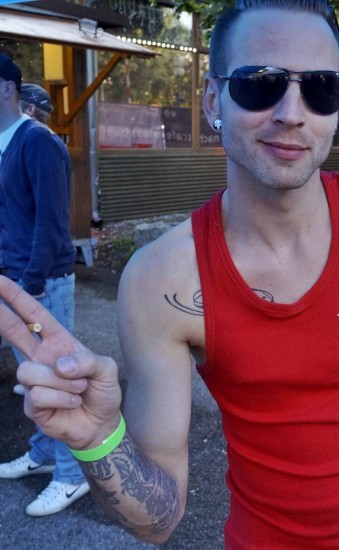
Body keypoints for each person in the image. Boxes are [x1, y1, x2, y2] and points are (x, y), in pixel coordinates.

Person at [0, 2, 339, 547]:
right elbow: (159, 521)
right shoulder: (163, 278)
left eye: (321, 88)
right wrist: (99, 440)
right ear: (213, 99)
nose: (292, 113)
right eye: (260, 84)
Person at [0, 56, 90, 516]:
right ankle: (43, 454)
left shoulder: (37, 141)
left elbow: (53, 222)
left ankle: (72, 476)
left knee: (56, 378)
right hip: (14, 282)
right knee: (32, 379)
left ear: (7, 88)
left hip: (40, 286)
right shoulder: (5, 143)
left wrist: (30, 284)